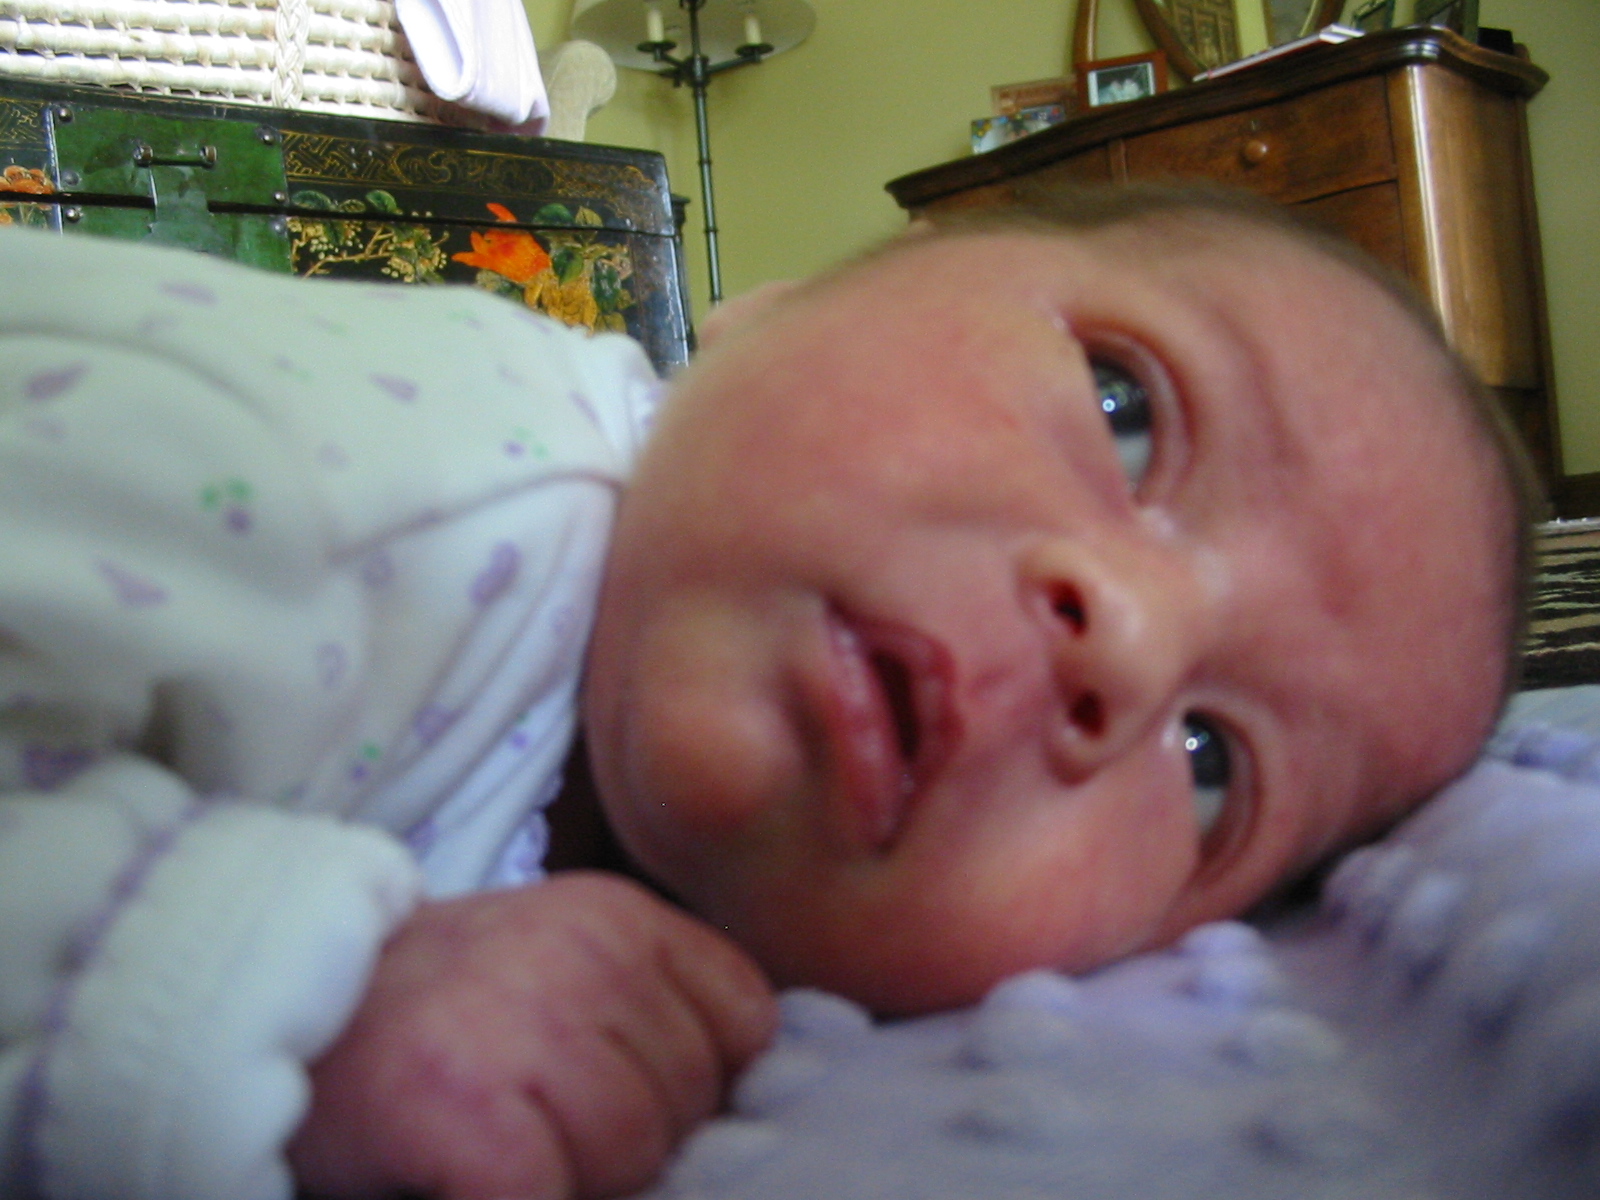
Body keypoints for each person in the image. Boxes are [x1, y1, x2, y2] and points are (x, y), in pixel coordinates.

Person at [0, 184, 1534, 1200]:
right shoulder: (336, 480)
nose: (1125, 643)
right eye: (1126, 409)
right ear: (772, 305)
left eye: (1211, 768)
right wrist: (244, 997)